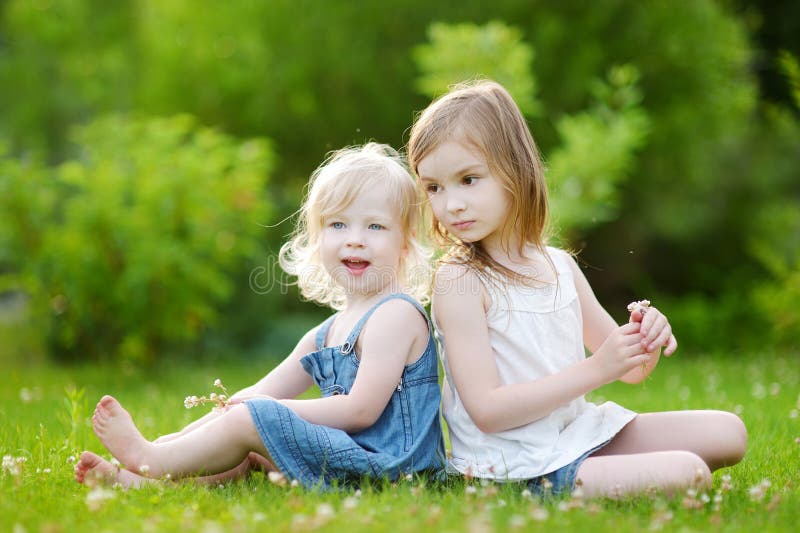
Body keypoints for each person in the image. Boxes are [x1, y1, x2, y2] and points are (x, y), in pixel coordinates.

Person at [406, 80, 747, 498]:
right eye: (434, 187)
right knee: (689, 472)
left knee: (729, 431)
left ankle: (601, 465)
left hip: (574, 433)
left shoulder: (559, 266)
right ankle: (579, 479)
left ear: (516, 170)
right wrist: (596, 369)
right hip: (513, 460)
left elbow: (634, 370)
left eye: (468, 179)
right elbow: (488, 412)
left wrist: (644, 337)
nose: (451, 203)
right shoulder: (460, 279)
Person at [74, 143, 445, 490]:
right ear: (317, 238)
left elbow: (361, 410)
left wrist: (266, 412)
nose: (355, 239)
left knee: (254, 420)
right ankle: (147, 474)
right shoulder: (329, 330)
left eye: (375, 226)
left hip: (391, 469)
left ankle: (147, 459)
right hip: (347, 457)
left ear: (406, 241)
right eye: (338, 225)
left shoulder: (396, 314)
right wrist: (181, 437)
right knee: (248, 432)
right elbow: (255, 394)